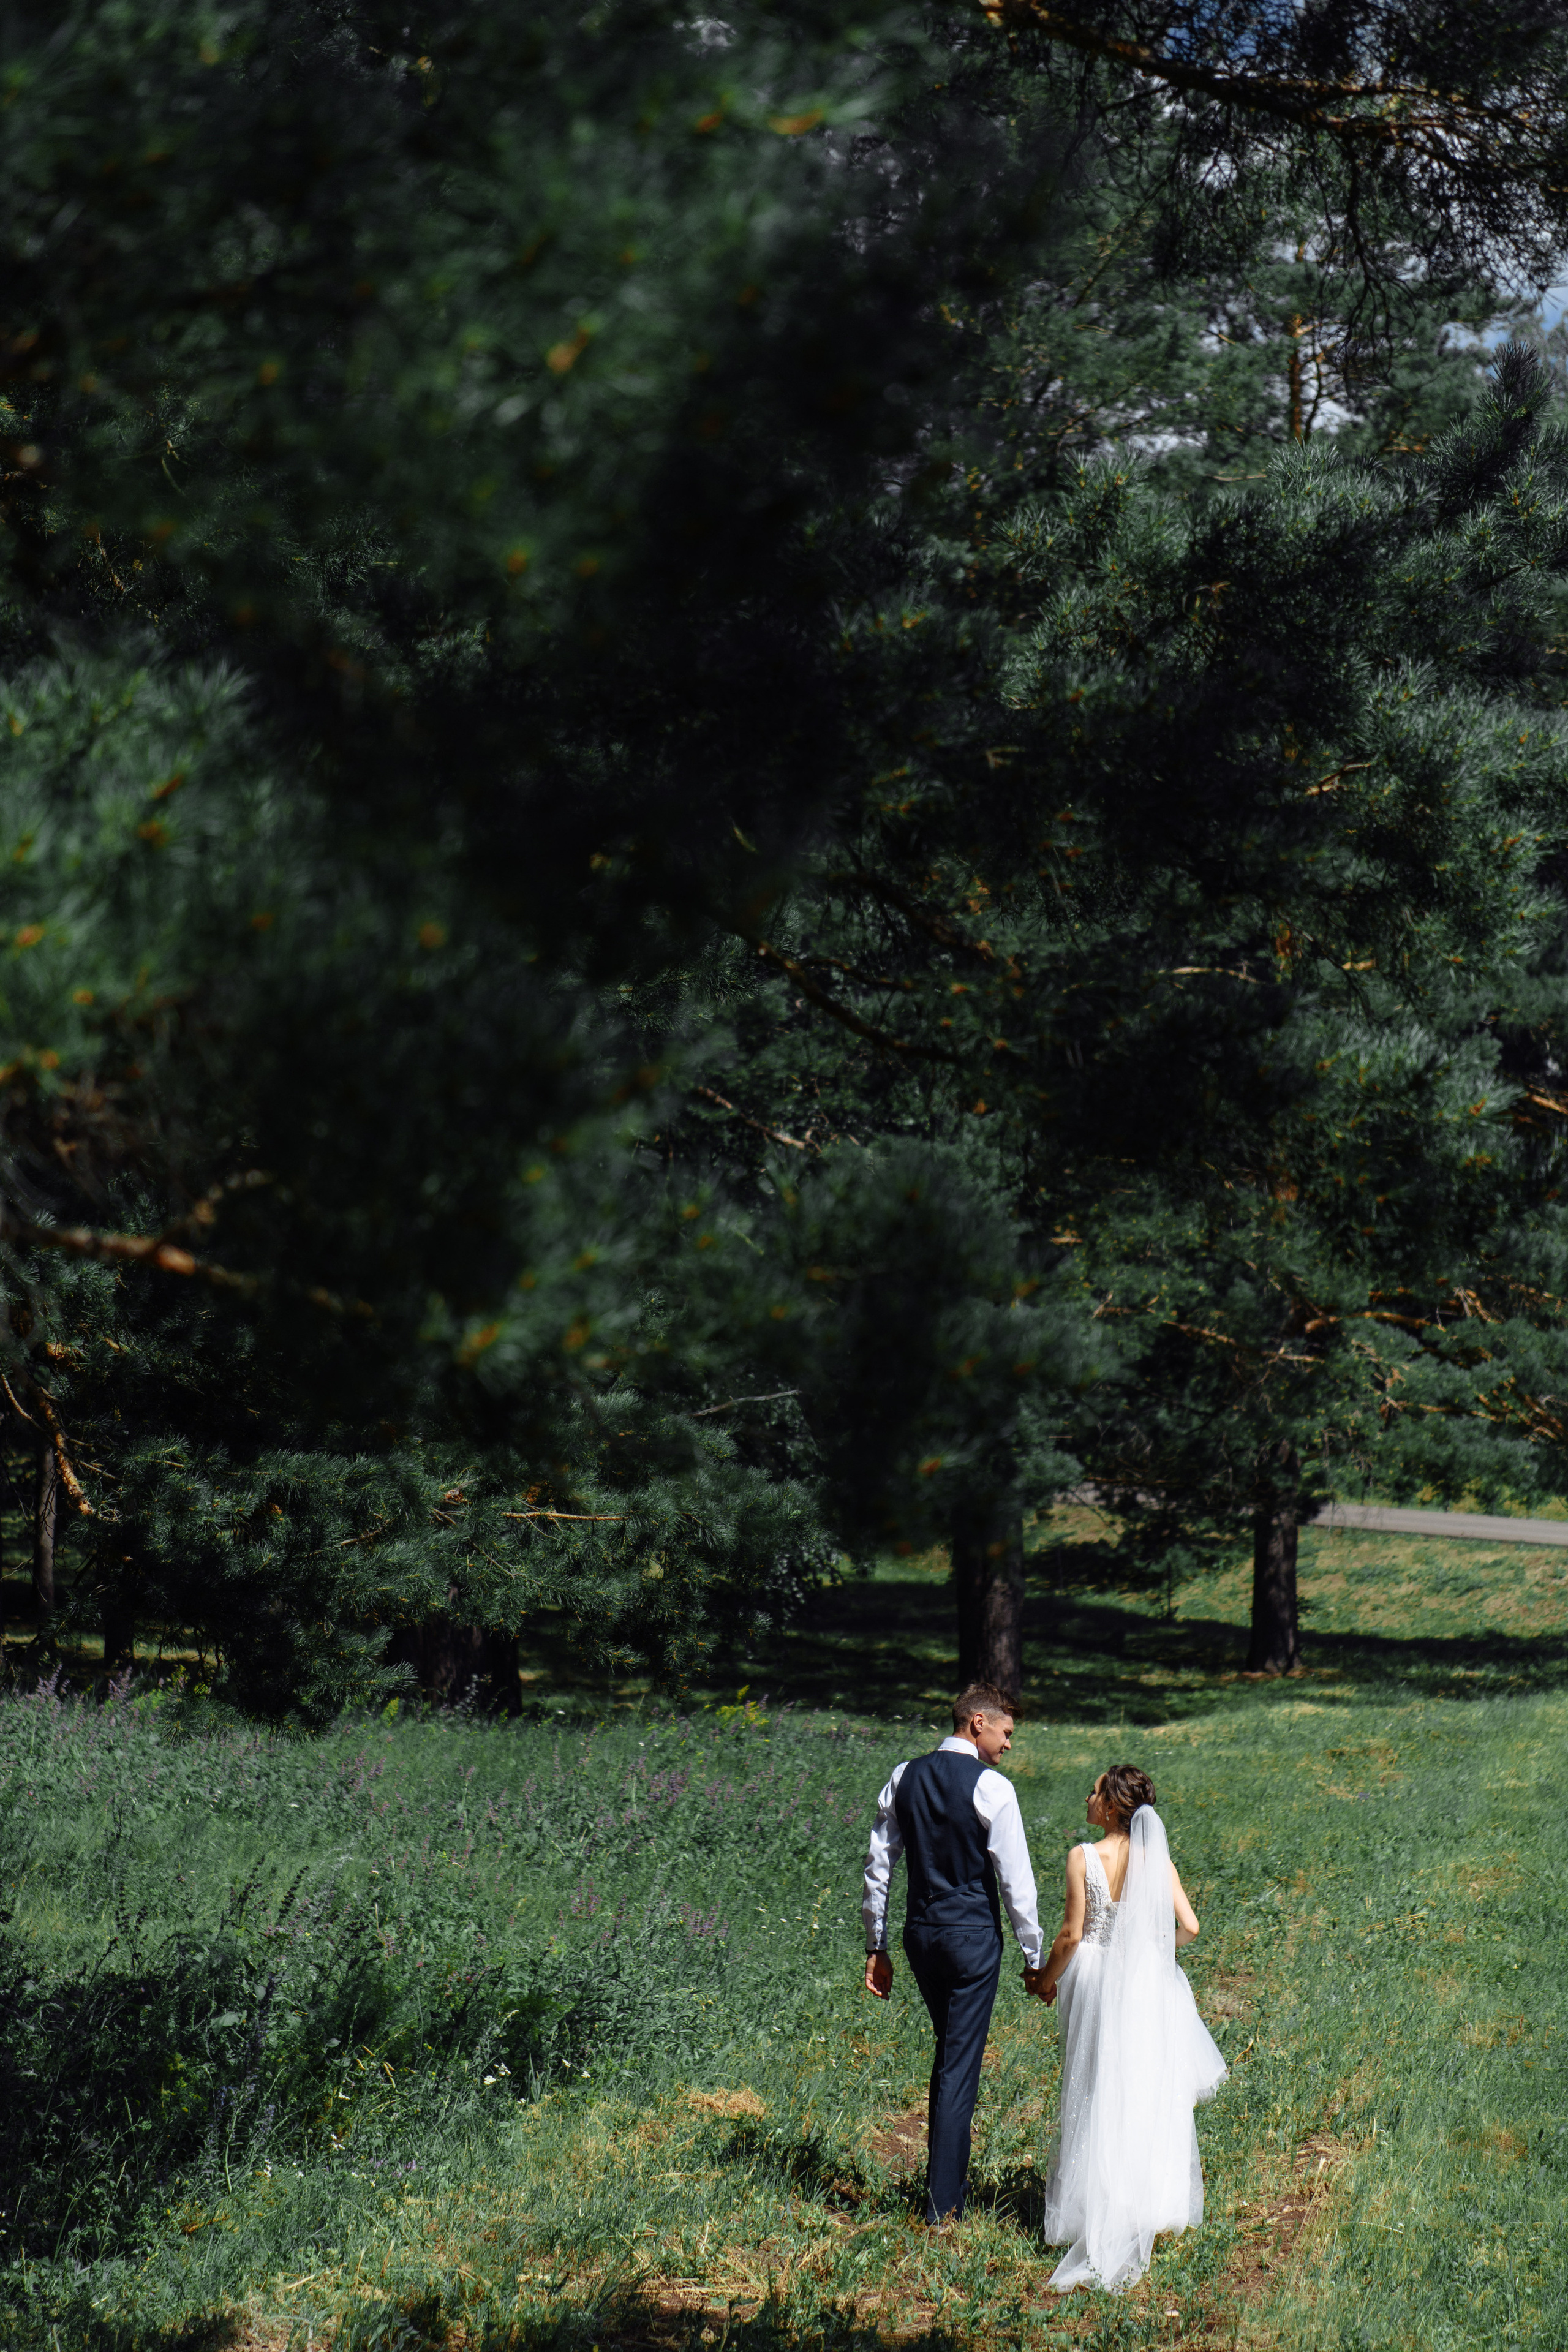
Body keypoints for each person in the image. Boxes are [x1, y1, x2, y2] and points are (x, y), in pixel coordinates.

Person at [1032, 1763, 1227, 2290]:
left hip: (1094, 1977)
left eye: (1095, 1792)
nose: (1088, 1798)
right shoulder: (1156, 1862)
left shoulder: (1083, 1857)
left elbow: (1071, 1936)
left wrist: (1044, 1981)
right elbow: (1190, 1927)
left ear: (1114, 1805)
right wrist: (1150, 1948)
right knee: (1141, 2086)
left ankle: (1091, 2207)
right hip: (1144, 1982)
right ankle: (1147, 2201)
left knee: (1095, 2086)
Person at [861, 1680, 1046, 2225]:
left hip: (922, 1938)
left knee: (951, 2054)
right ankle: (944, 2207)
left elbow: (878, 1866)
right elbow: (1016, 1882)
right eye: (1006, 1733)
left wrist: (877, 1945)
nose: (1009, 1745)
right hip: (971, 1941)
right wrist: (1034, 1958)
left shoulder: (903, 1776)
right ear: (978, 1724)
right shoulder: (993, 1788)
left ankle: (946, 2188)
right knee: (959, 2066)